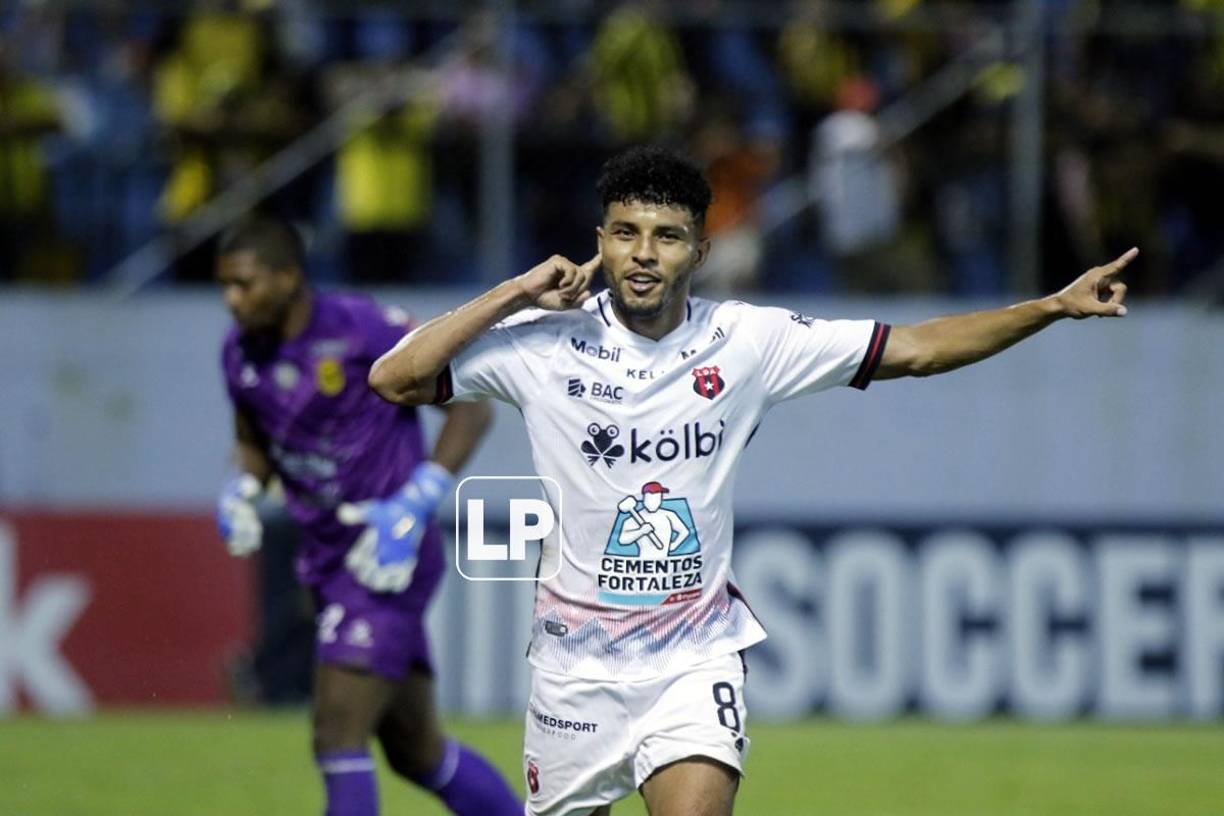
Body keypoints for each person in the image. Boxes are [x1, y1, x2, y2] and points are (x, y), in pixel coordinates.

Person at [365, 146, 1135, 816]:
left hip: (693, 659)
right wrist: (513, 293)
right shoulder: (542, 344)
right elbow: (394, 379)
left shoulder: (747, 341)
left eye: (667, 237)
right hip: (574, 671)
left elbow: (917, 349)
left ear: (699, 252)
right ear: (600, 241)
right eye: (626, 233)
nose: (643, 254)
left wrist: (1052, 306)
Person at [213, 214, 522, 816]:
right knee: (417, 751)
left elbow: (471, 410)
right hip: (327, 560)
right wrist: (243, 488)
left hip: (386, 556)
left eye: (244, 283)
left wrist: (415, 502)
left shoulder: (362, 328)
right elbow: (253, 436)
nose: (232, 299)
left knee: (336, 732)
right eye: (224, 284)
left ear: (288, 277)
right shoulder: (239, 351)